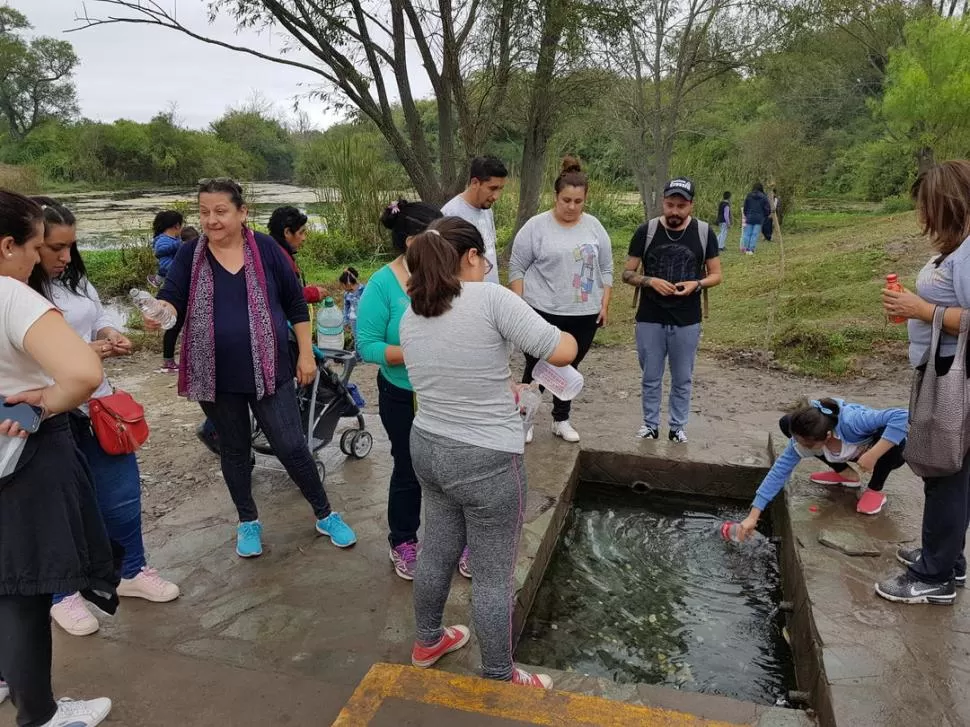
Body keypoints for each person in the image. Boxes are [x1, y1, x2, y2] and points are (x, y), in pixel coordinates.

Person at [400, 217, 578, 690]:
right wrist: (569, 334)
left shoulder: (412, 309)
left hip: (429, 447)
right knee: (493, 573)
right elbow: (560, 350)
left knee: (435, 551)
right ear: (472, 257)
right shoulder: (490, 298)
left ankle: (427, 640)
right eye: (486, 259)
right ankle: (499, 673)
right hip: (486, 460)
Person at [148, 179, 356, 558]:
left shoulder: (265, 249)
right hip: (216, 375)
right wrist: (163, 312)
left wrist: (306, 354)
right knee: (235, 450)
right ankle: (248, 521)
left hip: (270, 368)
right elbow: (172, 298)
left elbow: (295, 304)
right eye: (205, 212)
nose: (211, 220)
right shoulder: (190, 254)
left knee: (292, 445)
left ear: (242, 213)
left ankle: (325, 513)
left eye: (221, 211)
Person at [28, 197, 181, 639]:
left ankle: (131, 569)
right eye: (54, 247)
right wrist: (82, 355)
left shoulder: (72, 279)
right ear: (27, 243)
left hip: (98, 406)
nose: (65, 256)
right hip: (50, 411)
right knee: (63, 507)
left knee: (121, 494)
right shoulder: (17, 291)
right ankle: (63, 594)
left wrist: (108, 332)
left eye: (71, 246)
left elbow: (94, 315)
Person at [0, 190, 114, 727]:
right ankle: (40, 717)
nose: (39, 258)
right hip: (20, 462)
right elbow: (84, 375)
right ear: (8, 246)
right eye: (34, 246)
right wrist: (44, 402)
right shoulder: (13, 297)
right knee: (22, 592)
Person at [878, 160, 970, 605]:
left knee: (945, 471)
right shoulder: (956, 249)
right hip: (940, 369)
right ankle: (948, 558)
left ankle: (934, 577)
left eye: (927, 206)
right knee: (951, 470)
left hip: (954, 378)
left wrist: (923, 311)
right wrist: (912, 309)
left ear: (950, 203)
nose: (922, 216)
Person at [195, 205, 329, 455]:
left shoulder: (268, 251)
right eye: (301, 232)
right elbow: (279, 296)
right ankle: (226, 432)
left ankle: (221, 430)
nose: (304, 237)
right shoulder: (272, 254)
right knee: (261, 389)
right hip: (266, 337)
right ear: (287, 232)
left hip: (257, 335)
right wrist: (310, 294)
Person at [357, 199, 443, 580]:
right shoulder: (382, 284)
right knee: (409, 468)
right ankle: (404, 539)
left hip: (446, 391)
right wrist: (413, 353)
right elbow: (368, 345)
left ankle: (454, 537)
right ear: (411, 242)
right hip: (402, 393)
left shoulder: (446, 273)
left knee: (451, 466)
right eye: (436, 237)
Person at [508, 156, 613, 444]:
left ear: (585, 199)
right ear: (556, 196)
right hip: (542, 310)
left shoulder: (594, 227)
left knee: (569, 368)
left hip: (584, 312)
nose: (571, 207)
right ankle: (524, 419)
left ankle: (561, 419)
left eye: (578, 201)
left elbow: (606, 267)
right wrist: (518, 305)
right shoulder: (536, 226)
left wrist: (604, 303)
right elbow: (517, 266)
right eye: (566, 200)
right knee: (537, 367)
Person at [622, 177, 722, 443]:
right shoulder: (647, 231)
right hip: (650, 316)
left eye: (681, 205)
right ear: (662, 202)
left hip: (687, 318)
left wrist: (696, 284)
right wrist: (650, 280)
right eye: (669, 204)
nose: (675, 211)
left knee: (682, 378)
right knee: (651, 376)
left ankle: (677, 427)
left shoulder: (703, 232)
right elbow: (627, 273)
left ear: (691, 205)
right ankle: (650, 425)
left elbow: (716, 275)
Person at [736, 398, 908, 543]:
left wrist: (873, 455)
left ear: (827, 435)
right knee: (786, 423)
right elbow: (778, 472)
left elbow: (902, 416)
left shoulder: (854, 421)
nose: (800, 446)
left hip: (880, 453)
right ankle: (843, 472)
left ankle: (874, 489)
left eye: (807, 443)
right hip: (845, 451)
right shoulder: (806, 439)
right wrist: (753, 515)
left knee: (896, 442)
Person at [441, 155, 509, 284]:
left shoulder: (487, 210)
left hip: (490, 294)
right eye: (492, 188)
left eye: (500, 189)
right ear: (475, 183)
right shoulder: (450, 214)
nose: (496, 196)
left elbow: (489, 252)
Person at [152, 210, 185, 373]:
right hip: (172, 282)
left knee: (178, 324)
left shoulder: (173, 239)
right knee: (174, 324)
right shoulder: (163, 240)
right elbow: (160, 252)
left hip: (176, 281)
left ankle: (172, 360)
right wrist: (180, 244)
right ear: (176, 225)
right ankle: (168, 361)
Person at [740, 182, 771, 255]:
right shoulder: (764, 197)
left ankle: (746, 249)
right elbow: (767, 208)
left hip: (749, 217)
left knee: (747, 234)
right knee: (754, 234)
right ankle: (751, 249)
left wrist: (746, 214)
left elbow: (745, 206)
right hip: (759, 218)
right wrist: (765, 215)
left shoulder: (749, 195)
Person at [339, 266, 365, 350]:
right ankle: (359, 359)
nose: (343, 287)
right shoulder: (347, 294)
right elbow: (346, 308)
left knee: (364, 339)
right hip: (354, 319)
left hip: (365, 319)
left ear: (348, 283)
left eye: (343, 284)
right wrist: (345, 321)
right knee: (357, 339)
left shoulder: (364, 290)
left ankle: (363, 358)